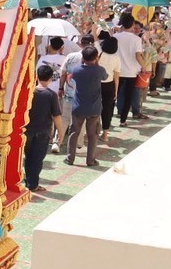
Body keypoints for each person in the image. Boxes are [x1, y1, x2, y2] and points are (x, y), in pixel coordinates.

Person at [24, 64, 64, 192]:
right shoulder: (51, 95)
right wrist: (61, 133)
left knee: (28, 157)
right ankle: (33, 184)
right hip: (43, 132)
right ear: (51, 78)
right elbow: (56, 115)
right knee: (37, 159)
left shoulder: (30, 92)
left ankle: (28, 181)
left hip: (27, 130)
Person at [67, 45, 108, 167]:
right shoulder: (100, 70)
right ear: (96, 57)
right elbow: (105, 77)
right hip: (94, 108)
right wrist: (97, 64)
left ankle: (70, 158)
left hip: (78, 107)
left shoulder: (76, 70)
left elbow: (72, 76)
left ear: (83, 57)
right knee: (93, 135)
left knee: (74, 133)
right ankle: (90, 160)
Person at [112, 19, 145, 126]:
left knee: (113, 95)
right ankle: (123, 120)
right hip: (131, 72)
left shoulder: (116, 36)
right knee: (128, 96)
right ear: (132, 26)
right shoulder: (136, 39)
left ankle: (108, 120)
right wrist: (144, 66)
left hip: (117, 70)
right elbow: (138, 56)